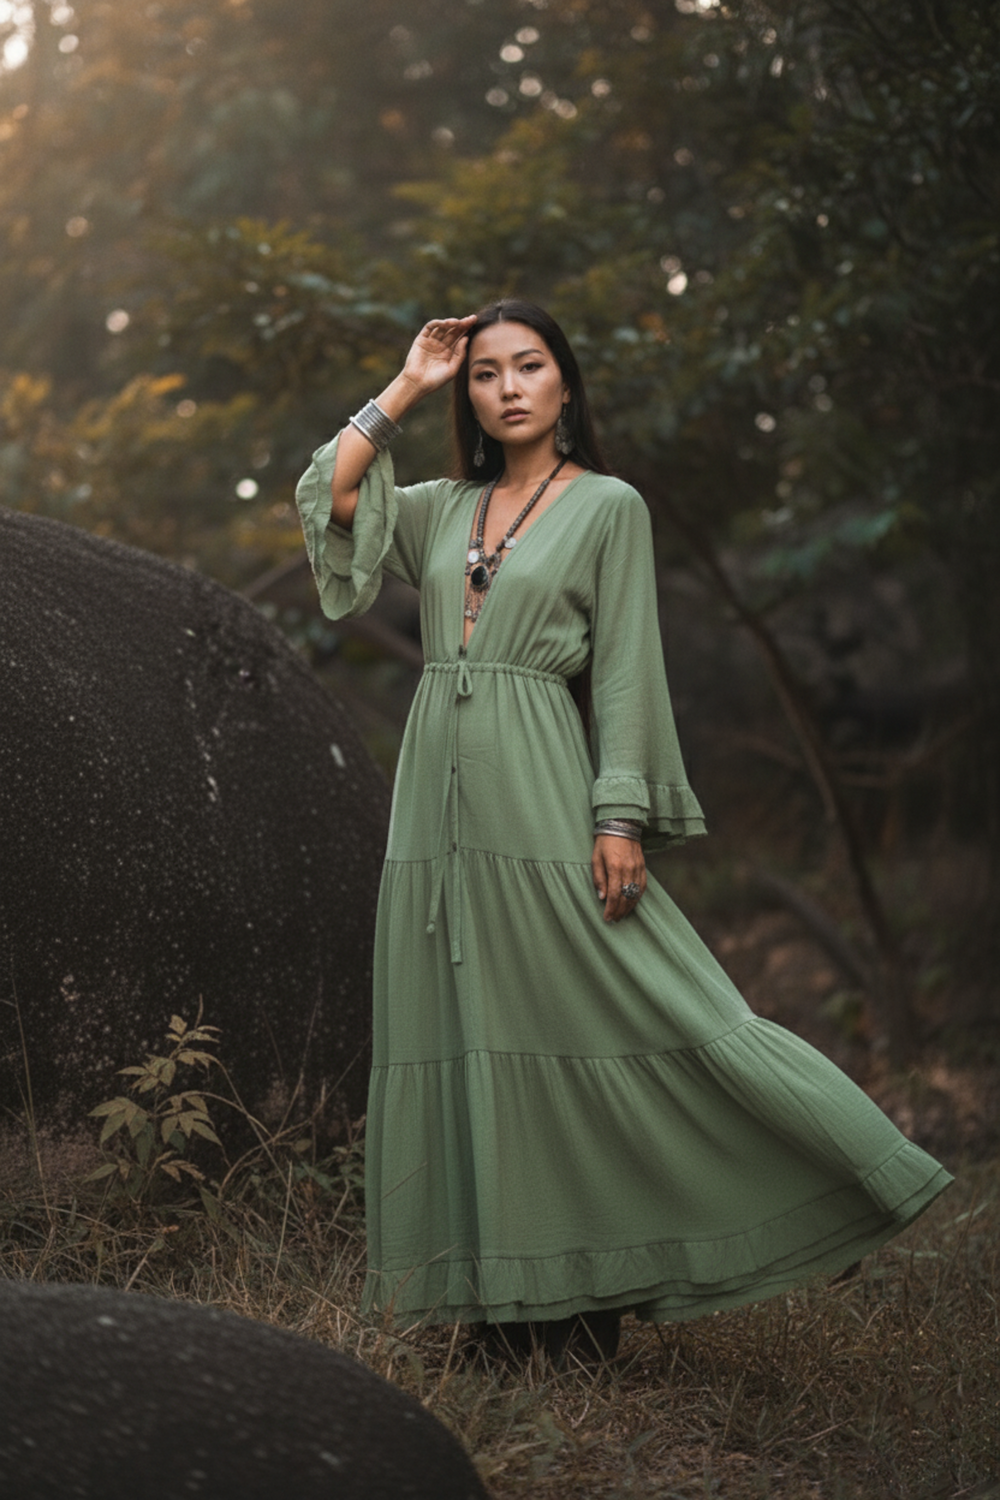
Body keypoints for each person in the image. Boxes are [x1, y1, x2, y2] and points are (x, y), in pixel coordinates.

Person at [296, 298, 951, 1365]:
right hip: (436, 802)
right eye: (486, 373)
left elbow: (629, 669)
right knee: (466, 1024)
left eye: (529, 367)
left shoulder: (609, 508)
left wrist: (618, 815)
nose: (506, 387)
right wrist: (408, 380)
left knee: (613, 1001)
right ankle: (511, 1304)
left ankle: (824, 1167)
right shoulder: (436, 508)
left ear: (565, 385)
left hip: (541, 780)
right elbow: (331, 487)